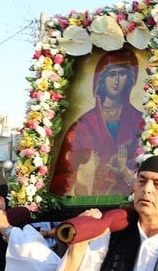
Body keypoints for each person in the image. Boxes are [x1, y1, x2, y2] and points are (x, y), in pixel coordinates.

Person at [50, 49, 145, 197]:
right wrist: (85, 171)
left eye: (122, 74)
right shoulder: (82, 126)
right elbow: (62, 177)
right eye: (112, 75)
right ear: (101, 79)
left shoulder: (139, 122)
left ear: (130, 79)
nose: (117, 81)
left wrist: (124, 170)